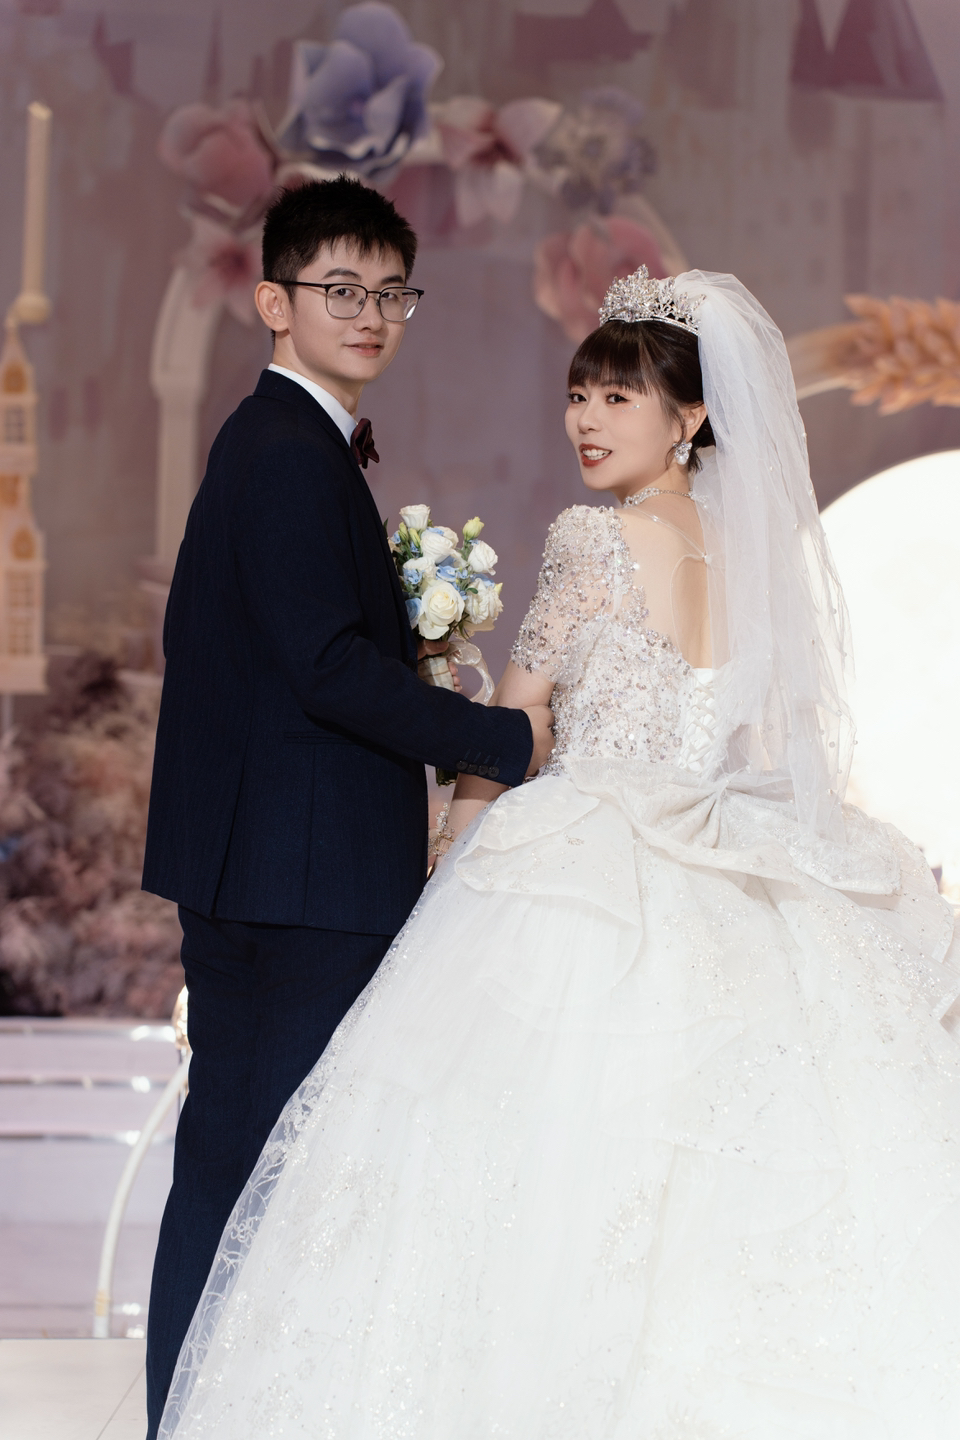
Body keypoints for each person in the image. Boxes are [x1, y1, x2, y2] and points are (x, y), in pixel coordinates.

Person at [157, 268, 960, 1439]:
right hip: (731, 868)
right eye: (579, 394)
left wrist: (446, 853)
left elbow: (519, 722)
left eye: (618, 398)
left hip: (586, 867)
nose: (585, 418)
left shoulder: (594, 540)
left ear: (690, 417)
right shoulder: (758, 559)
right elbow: (762, 743)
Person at [140, 176, 554, 1438]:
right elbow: (325, 669)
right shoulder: (284, 453)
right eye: (339, 289)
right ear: (274, 302)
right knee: (268, 1175)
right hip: (301, 878)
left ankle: (193, 1416)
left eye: (390, 293)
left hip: (263, 863)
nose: (369, 314)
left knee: (232, 1162)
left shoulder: (279, 443)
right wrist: (502, 738)